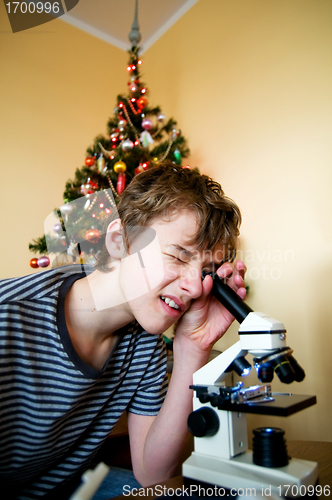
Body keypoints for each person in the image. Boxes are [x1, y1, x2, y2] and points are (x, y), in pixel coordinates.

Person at [0, 163, 246, 500]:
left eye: (206, 271)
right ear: (119, 240)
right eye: (178, 255)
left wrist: (193, 346)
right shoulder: (9, 318)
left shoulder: (146, 344)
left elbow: (154, 475)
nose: (193, 287)